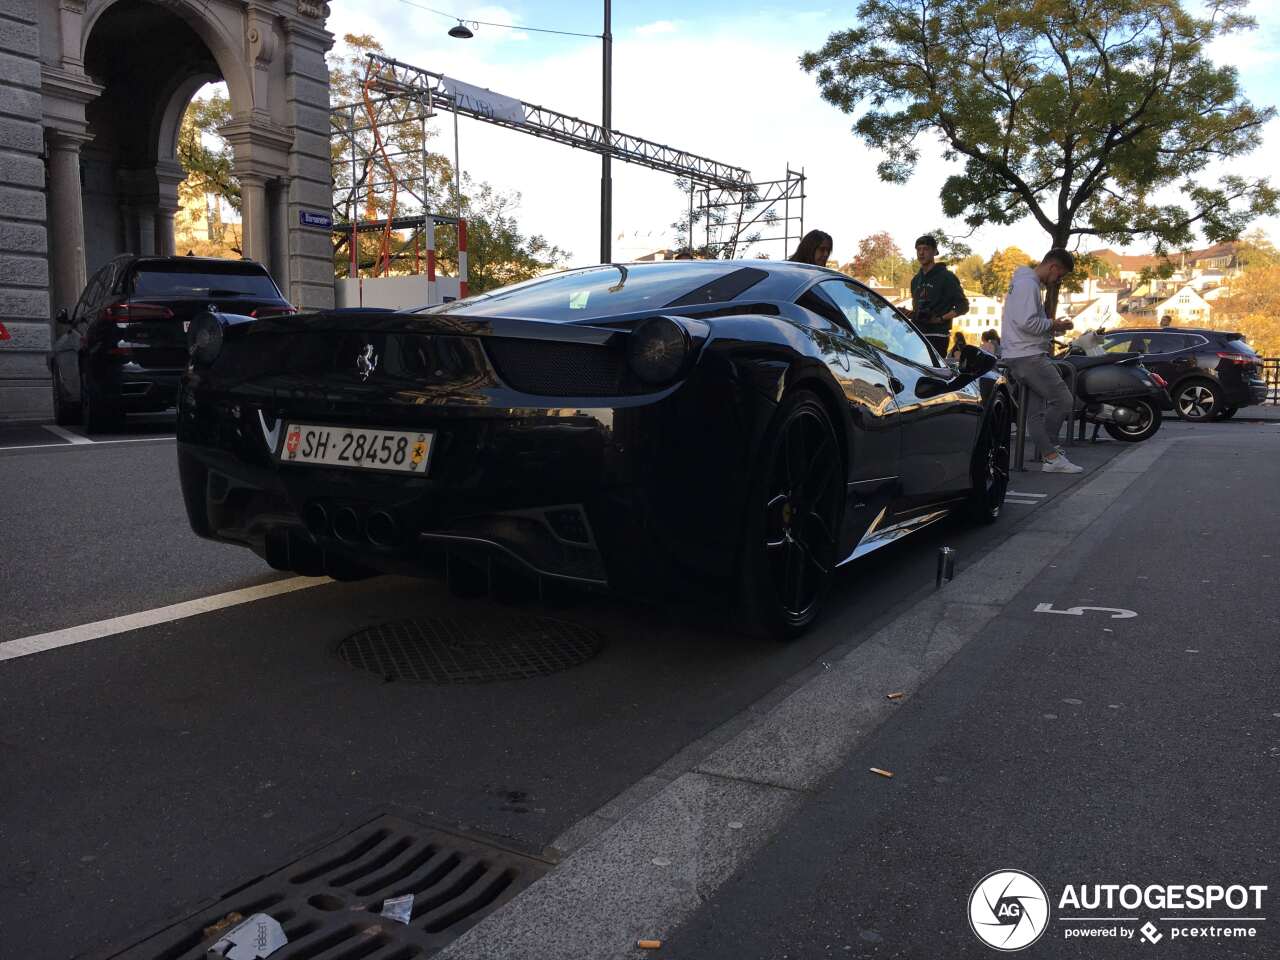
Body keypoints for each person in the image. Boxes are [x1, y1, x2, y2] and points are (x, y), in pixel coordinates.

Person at [1001, 249, 1081, 474]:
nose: (1058, 280)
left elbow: (1022, 321)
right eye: (1060, 275)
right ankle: (1052, 451)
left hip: (1017, 354)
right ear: (1053, 267)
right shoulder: (1030, 285)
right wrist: (1054, 324)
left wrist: (1049, 324)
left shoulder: (1021, 282)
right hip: (1029, 355)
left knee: (1034, 413)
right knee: (1063, 399)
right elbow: (1028, 323)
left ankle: (1051, 456)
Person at [905, 234, 968, 356]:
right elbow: (917, 310)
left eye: (926, 249)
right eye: (918, 249)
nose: (921, 253)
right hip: (917, 336)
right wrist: (908, 314)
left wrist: (940, 319)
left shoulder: (947, 277)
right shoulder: (915, 280)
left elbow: (963, 306)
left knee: (933, 373)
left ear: (934, 252)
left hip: (937, 336)